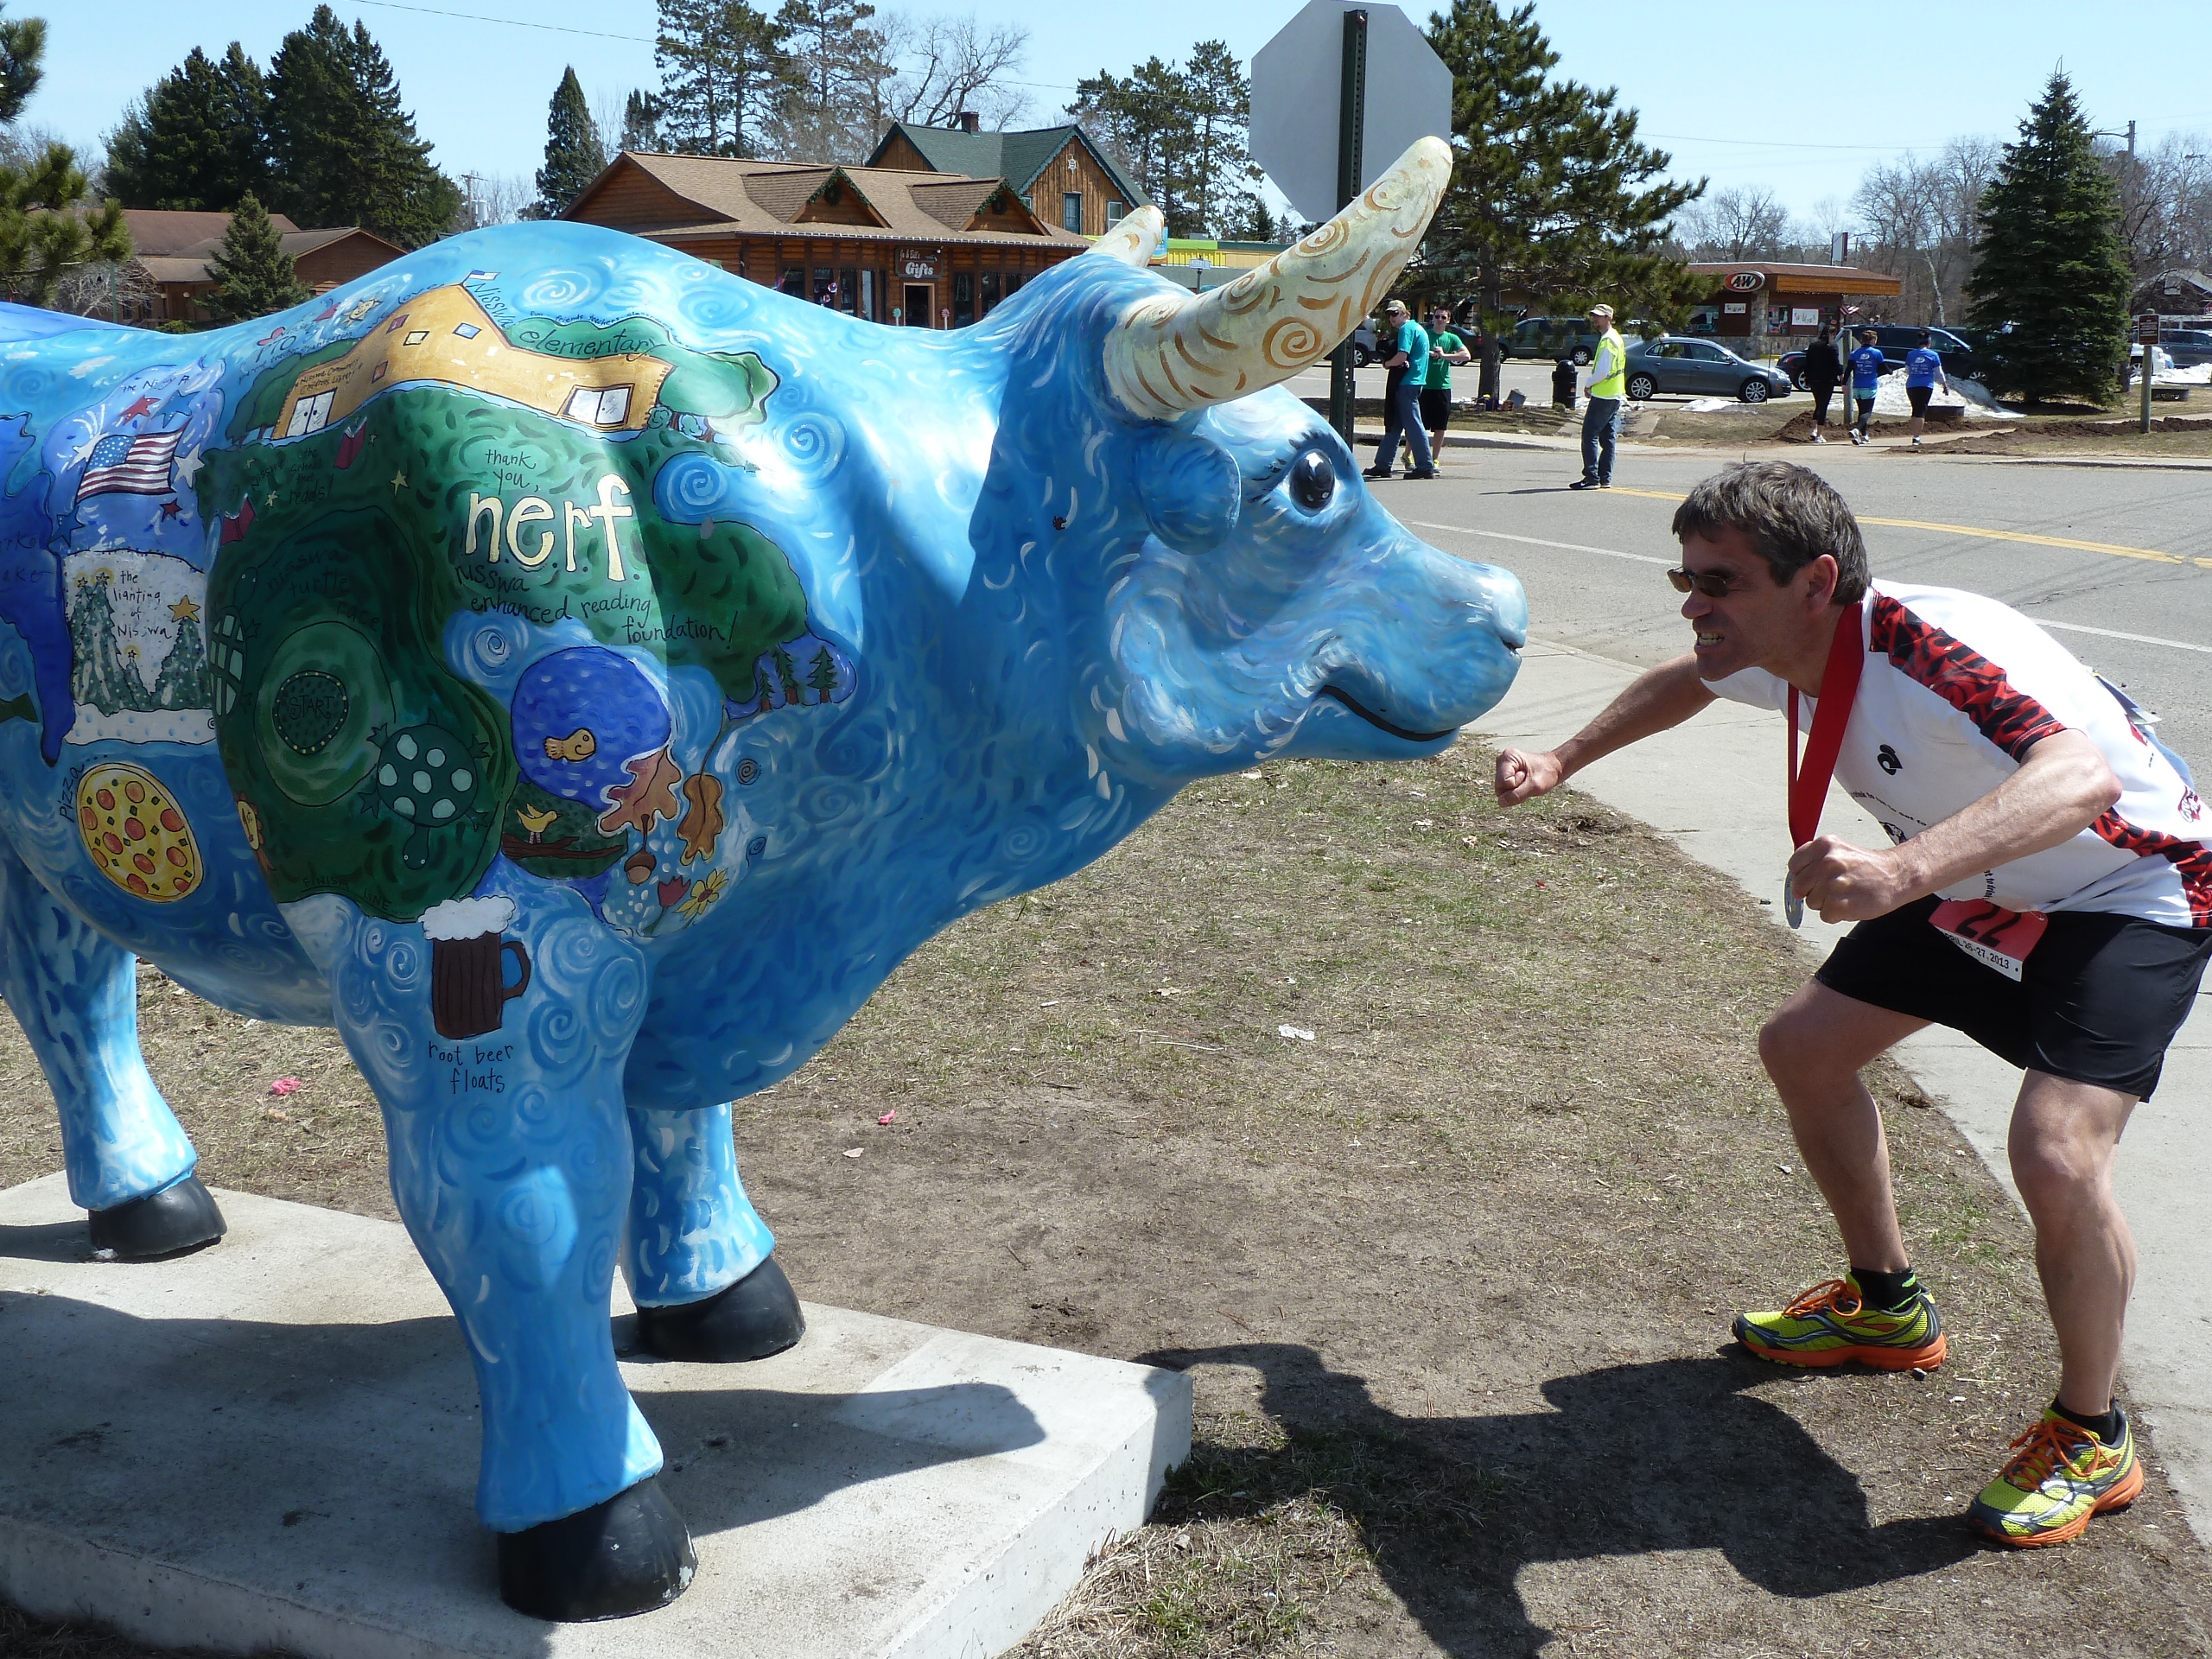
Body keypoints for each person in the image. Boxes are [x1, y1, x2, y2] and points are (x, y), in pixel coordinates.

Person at [1494, 461, 2209, 1550]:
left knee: (2057, 1152)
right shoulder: (1784, 646)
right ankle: (1886, 1309)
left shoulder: (1935, 647)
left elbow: (2081, 780)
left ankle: (2090, 1433)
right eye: (1685, 578)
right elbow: (1688, 679)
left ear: (1816, 581)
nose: (1694, 606)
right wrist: (1561, 756)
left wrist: (1899, 872)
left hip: (2130, 885)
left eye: (1720, 582)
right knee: (1804, 1047)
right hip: (1977, 877)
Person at [1364, 300, 1434, 481]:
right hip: (1413, 381)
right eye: (1390, 314)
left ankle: (1425, 466)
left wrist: (1387, 363)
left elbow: (1402, 356)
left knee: (1413, 425)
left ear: (1405, 313)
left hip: (1407, 382)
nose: (1392, 318)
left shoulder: (1406, 329)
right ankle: (1383, 464)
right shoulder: (1418, 328)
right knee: (1395, 424)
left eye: (1395, 313)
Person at [1570, 304, 1626, 491]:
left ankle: (1591, 477)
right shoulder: (1616, 337)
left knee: (1589, 435)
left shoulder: (1609, 340)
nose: (1595, 319)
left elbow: (1603, 371)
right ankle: (1605, 478)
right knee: (1608, 438)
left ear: (1609, 318)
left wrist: (1589, 383)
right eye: (1594, 316)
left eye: (1599, 316)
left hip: (1604, 395)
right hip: (1614, 394)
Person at [1422, 306, 1472, 463]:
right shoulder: (1425, 335)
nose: (1440, 320)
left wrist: (1444, 356)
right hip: (1424, 386)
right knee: (1420, 426)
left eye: (1443, 317)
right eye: (1437, 316)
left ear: (1448, 320)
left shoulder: (1451, 338)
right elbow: (1413, 351)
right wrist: (1429, 353)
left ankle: (1434, 459)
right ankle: (1409, 454)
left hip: (1443, 387)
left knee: (1440, 426)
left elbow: (1466, 356)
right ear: (1433, 318)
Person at [1904, 329, 1951, 448]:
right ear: (1929, 343)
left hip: (1911, 385)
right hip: (1926, 385)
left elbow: (1907, 370)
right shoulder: (1933, 355)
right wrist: (1944, 385)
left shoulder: (1911, 354)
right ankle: (1916, 437)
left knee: (1915, 409)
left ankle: (1915, 434)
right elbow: (1939, 372)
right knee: (1921, 410)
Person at [1802, 324, 1842, 445]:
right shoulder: (1832, 346)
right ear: (1832, 334)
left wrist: (1806, 377)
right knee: (1823, 406)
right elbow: (1835, 363)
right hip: (1827, 380)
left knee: (1819, 404)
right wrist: (1841, 375)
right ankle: (1819, 435)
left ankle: (1814, 430)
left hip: (1814, 379)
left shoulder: (1813, 346)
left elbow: (1808, 362)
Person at [1847, 327, 1885, 445]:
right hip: (1869, 385)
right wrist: (1890, 372)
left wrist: (1843, 383)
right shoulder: (1876, 353)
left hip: (1857, 385)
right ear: (1872, 340)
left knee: (1861, 411)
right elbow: (1883, 367)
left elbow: (1848, 369)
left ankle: (1864, 436)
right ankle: (1856, 429)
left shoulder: (1855, 353)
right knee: (1867, 412)